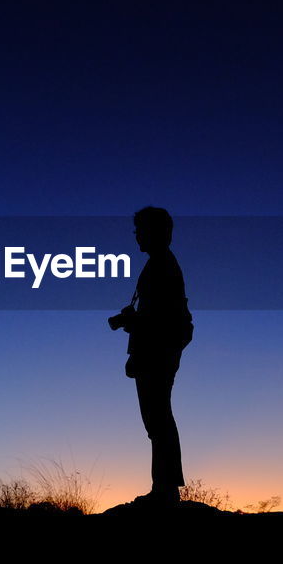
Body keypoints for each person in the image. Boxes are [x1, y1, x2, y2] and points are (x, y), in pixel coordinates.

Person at [110, 206, 193, 505]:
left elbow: (161, 317)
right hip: (155, 350)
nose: (137, 237)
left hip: (157, 352)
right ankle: (164, 486)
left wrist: (132, 322)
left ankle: (166, 489)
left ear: (156, 232)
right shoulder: (160, 264)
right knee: (157, 420)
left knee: (158, 419)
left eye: (140, 231)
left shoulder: (163, 266)